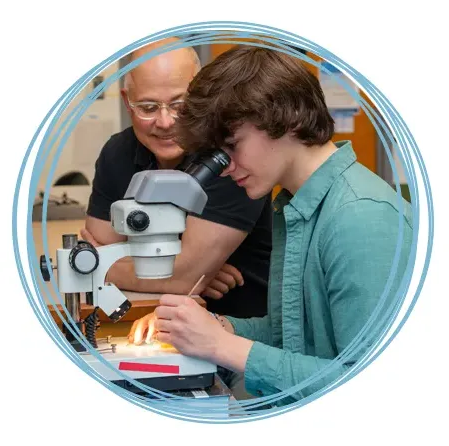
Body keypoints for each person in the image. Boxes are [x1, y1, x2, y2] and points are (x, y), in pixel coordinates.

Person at [144, 45, 413, 406]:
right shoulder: (298, 205)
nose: (223, 168)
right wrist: (220, 327)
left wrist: (222, 346)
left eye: (232, 145)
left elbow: (370, 386)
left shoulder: (360, 216)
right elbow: (297, 334)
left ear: (288, 121)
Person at [82, 39, 272, 369]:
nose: (166, 122)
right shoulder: (117, 154)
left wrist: (100, 264)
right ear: (128, 102)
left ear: (200, 98)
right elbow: (96, 251)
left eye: (180, 105)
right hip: (156, 326)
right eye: (149, 107)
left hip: (243, 341)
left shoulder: (230, 157)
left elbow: (96, 262)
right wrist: (182, 269)